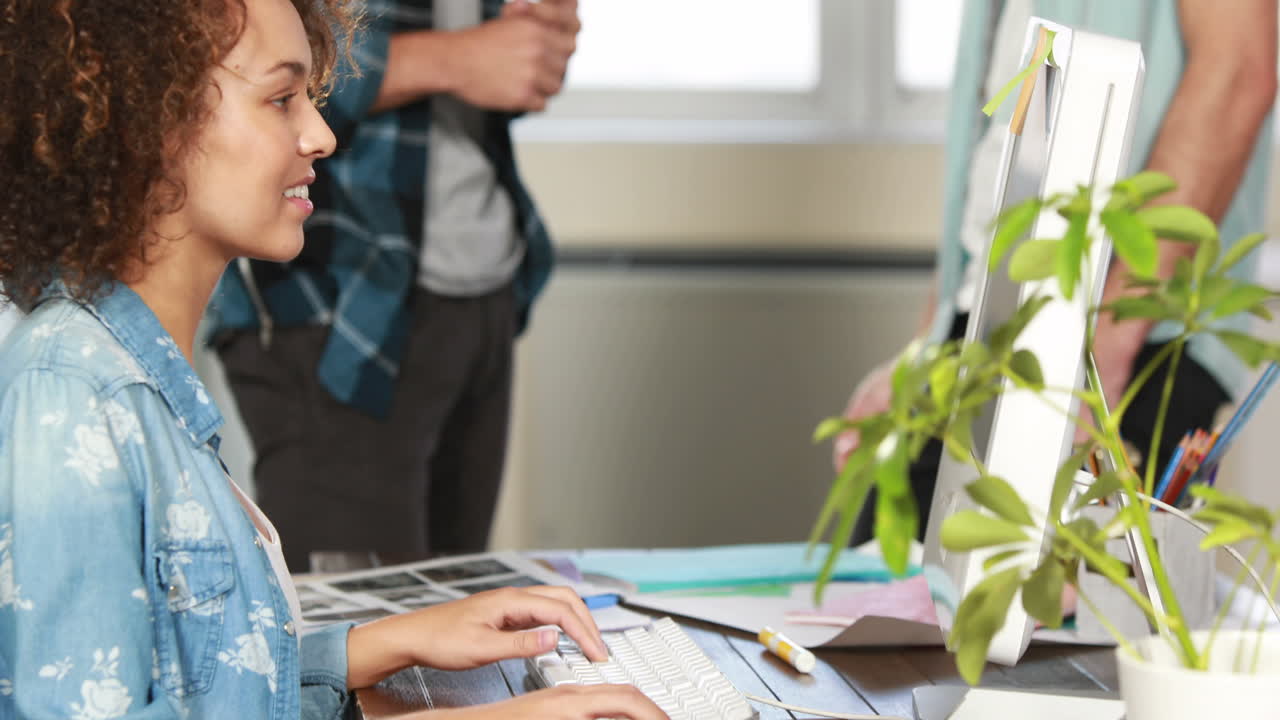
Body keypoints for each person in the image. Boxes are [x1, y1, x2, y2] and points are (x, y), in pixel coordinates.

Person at [0, 1, 664, 718]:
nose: (320, 134)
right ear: (147, 124)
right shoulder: (69, 394)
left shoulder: (140, 375)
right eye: (282, 99)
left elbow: (213, 682)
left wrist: (387, 642)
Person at [834, 0, 1277, 544]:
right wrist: (930, 341)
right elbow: (1005, 144)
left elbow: (1239, 70)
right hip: (989, 322)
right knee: (880, 599)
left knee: (1053, 611)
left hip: (1128, 337)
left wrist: (1101, 358)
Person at [207, 0, 579, 572]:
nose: (316, 135)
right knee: (347, 624)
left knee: (451, 620)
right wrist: (453, 59)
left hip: (484, 282)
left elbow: (513, 71)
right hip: (337, 302)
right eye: (288, 102)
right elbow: (229, 56)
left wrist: (534, 44)